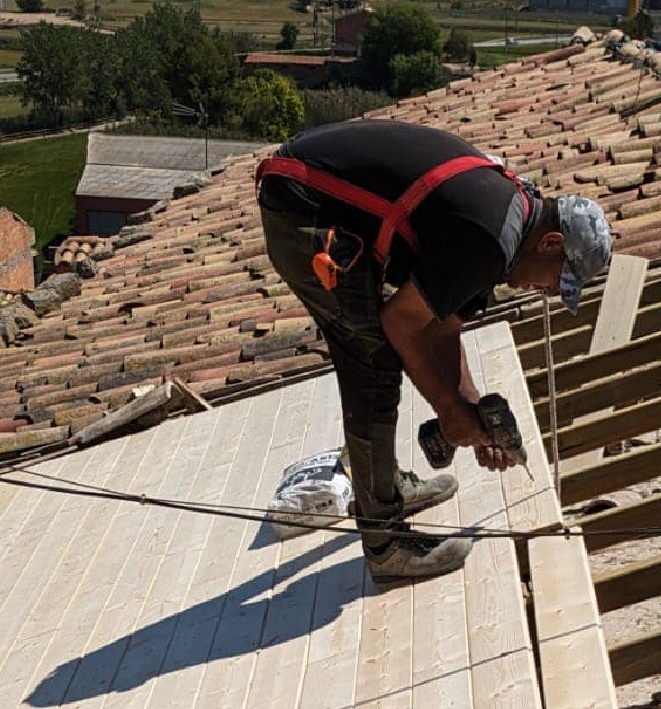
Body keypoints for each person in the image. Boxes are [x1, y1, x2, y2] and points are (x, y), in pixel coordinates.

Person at [256, 118, 612, 584]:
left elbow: (443, 327)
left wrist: (473, 414)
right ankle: (384, 544)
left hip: (310, 188)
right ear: (551, 242)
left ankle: (382, 487)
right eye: (556, 279)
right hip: (302, 204)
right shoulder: (489, 239)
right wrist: (448, 410)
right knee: (372, 361)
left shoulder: (509, 227)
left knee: (382, 354)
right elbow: (401, 321)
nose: (547, 292)